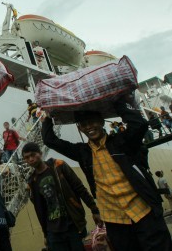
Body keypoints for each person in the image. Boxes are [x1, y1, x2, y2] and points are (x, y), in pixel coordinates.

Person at [42, 95, 172, 250]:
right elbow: (50, 140)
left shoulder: (122, 142)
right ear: (80, 128)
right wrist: (47, 118)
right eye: (84, 124)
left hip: (144, 212)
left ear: (102, 122)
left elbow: (139, 124)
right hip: (115, 220)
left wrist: (117, 100)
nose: (89, 126)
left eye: (93, 121)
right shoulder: (82, 152)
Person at [22, 142, 101, 251]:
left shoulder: (59, 165)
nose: (30, 159)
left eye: (32, 155)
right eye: (26, 158)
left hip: (73, 224)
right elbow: (40, 210)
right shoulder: (32, 182)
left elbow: (79, 188)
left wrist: (94, 209)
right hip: (53, 232)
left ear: (40, 153)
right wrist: (45, 234)